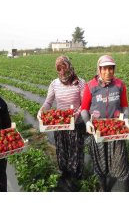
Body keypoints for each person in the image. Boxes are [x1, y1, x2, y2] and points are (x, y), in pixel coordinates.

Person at [81, 55, 129, 192]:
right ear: (99, 69)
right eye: (104, 68)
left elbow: (124, 105)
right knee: (100, 164)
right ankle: (102, 188)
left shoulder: (120, 85)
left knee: (119, 162)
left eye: (111, 68)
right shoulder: (91, 86)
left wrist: (126, 118)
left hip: (116, 129)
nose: (108, 72)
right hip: (98, 129)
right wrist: (87, 123)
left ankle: (121, 188)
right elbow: (84, 109)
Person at [37, 56, 86, 191]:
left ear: (70, 66)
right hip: (59, 124)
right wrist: (42, 110)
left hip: (76, 124)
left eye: (65, 67)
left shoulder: (80, 83)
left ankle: (76, 177)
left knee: (75, 151)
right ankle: (65, 174)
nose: (63, 71)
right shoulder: (54, 84)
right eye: (59, 68)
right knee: (62, 150)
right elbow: (48, 102)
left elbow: (85, 105)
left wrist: (75, 115)